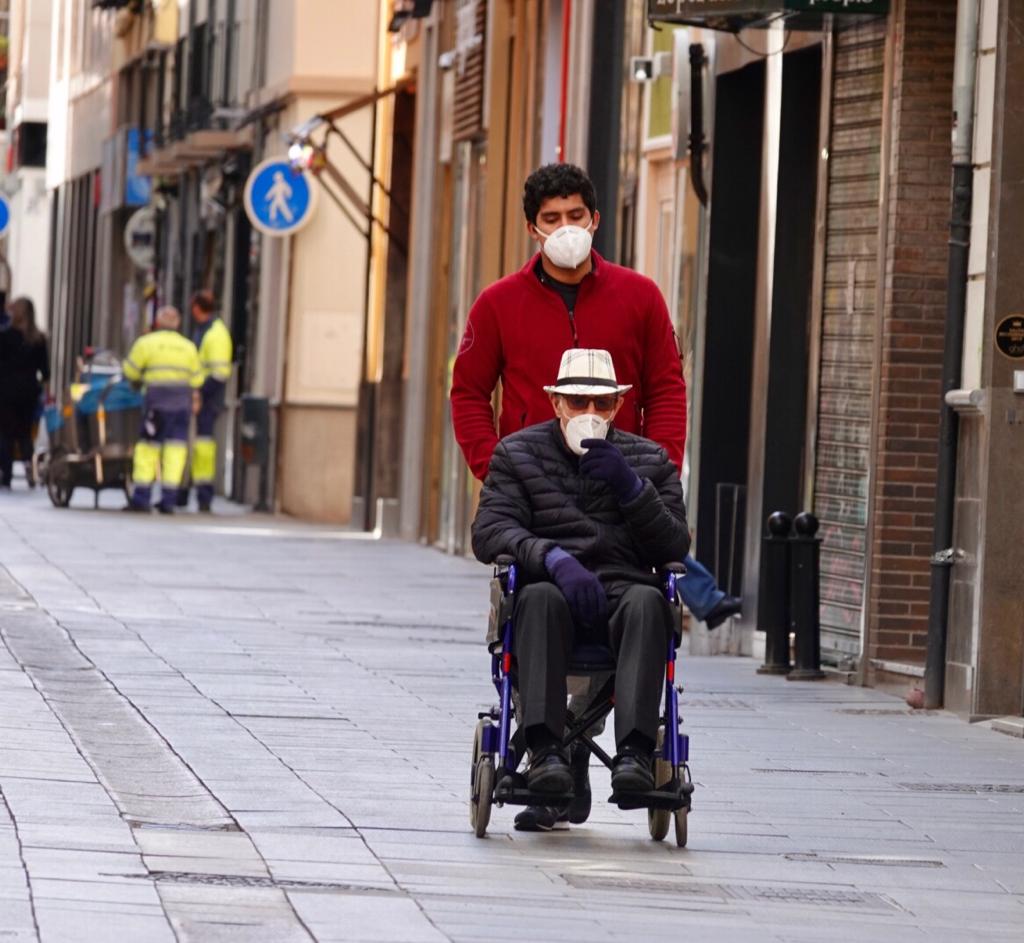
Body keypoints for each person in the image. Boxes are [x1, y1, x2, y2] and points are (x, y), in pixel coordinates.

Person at [450, 162, 740, 829]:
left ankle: (606, 755)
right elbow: (468, 392)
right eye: (551, 218)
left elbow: (667, 387)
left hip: (622, 507)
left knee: (643, 604)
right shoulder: (498, 304)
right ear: (533, 227)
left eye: (575, 215)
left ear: (596, 219)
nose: (565, 228)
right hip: (536, 496)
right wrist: (500, 468)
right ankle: (551, 757)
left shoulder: (639, 297)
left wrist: (650, 472)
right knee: (540, 605)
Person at [472, 349, 690, 804]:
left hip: (624, 596)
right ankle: (545, 750)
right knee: (537, 599)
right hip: (552, 591)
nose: (589, 413)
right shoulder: (517, 453)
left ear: (617, 406)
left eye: (602, 404)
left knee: (649, 602)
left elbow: (674, 545)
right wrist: (551, 557)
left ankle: (634, 754)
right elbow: (489, 530)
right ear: (556, 403)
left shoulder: (649, 460)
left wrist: (631, 487)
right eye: (577, 402)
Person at [122, 306, 203, 514]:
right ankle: (169, 500)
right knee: (175, 451)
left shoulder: (146, 343)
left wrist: (140, 380)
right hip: (181, 407)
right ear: (178, 323)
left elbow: (130, 370)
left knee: (147, 449)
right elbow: (197, 379)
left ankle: (142, 498)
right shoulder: (188, 347)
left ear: (157, 322)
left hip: (155, 406)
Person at [185, 290, 233, 512]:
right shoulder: (206, 330)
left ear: (197, 308)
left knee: (203, 447)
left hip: (208, 399)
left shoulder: (215, 334)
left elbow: (219, 374)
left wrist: (199, 393)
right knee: (196, 447)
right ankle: (192, 492)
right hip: (201, 397)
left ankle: (204, 495)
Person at [0, 298, 49, 490]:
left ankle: (6, 473)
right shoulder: (38, 339)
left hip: (6, 392)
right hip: (28, 393)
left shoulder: (5, 337)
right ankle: (30, 468)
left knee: (6, 434)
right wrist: (41, 388)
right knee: (25, 433)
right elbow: (45, 371)